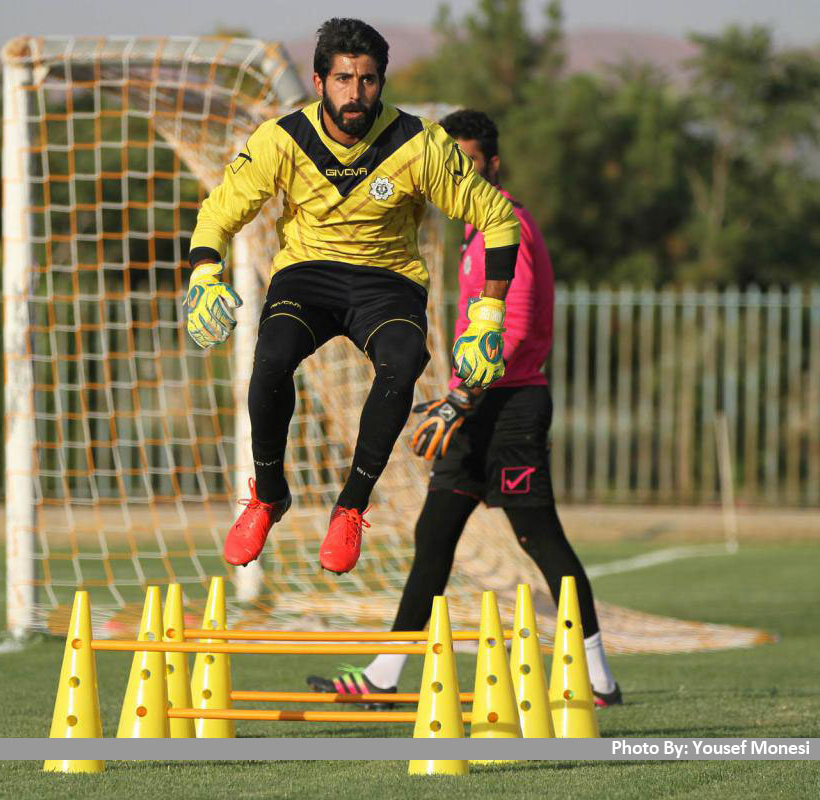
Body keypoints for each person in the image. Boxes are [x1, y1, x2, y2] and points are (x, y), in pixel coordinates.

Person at [306, 109, 622, 706]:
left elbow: (519, 328)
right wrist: (453, 396)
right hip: (474, 410)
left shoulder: (511, 229)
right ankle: (383, 677)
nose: (460, 174)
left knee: (539, 539)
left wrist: (460, 397)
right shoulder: (474, 233)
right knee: (435, 535)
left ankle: (599, 679)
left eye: (470, 162)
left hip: (510, 410)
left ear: (493, 166)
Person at [183, 19, 520, 574]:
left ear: (381, 82)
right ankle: (268, 496)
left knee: (404, 362)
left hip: (388, 280)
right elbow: (219, 212)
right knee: (269, 360)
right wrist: (203, 275)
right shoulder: (281, 139)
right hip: (307, 274)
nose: (355, 94)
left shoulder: (419, 143)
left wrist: (488, 315)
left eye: (367, 80)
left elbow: (499, 218)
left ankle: (351, 507)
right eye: (343, 79)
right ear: (319, 82)